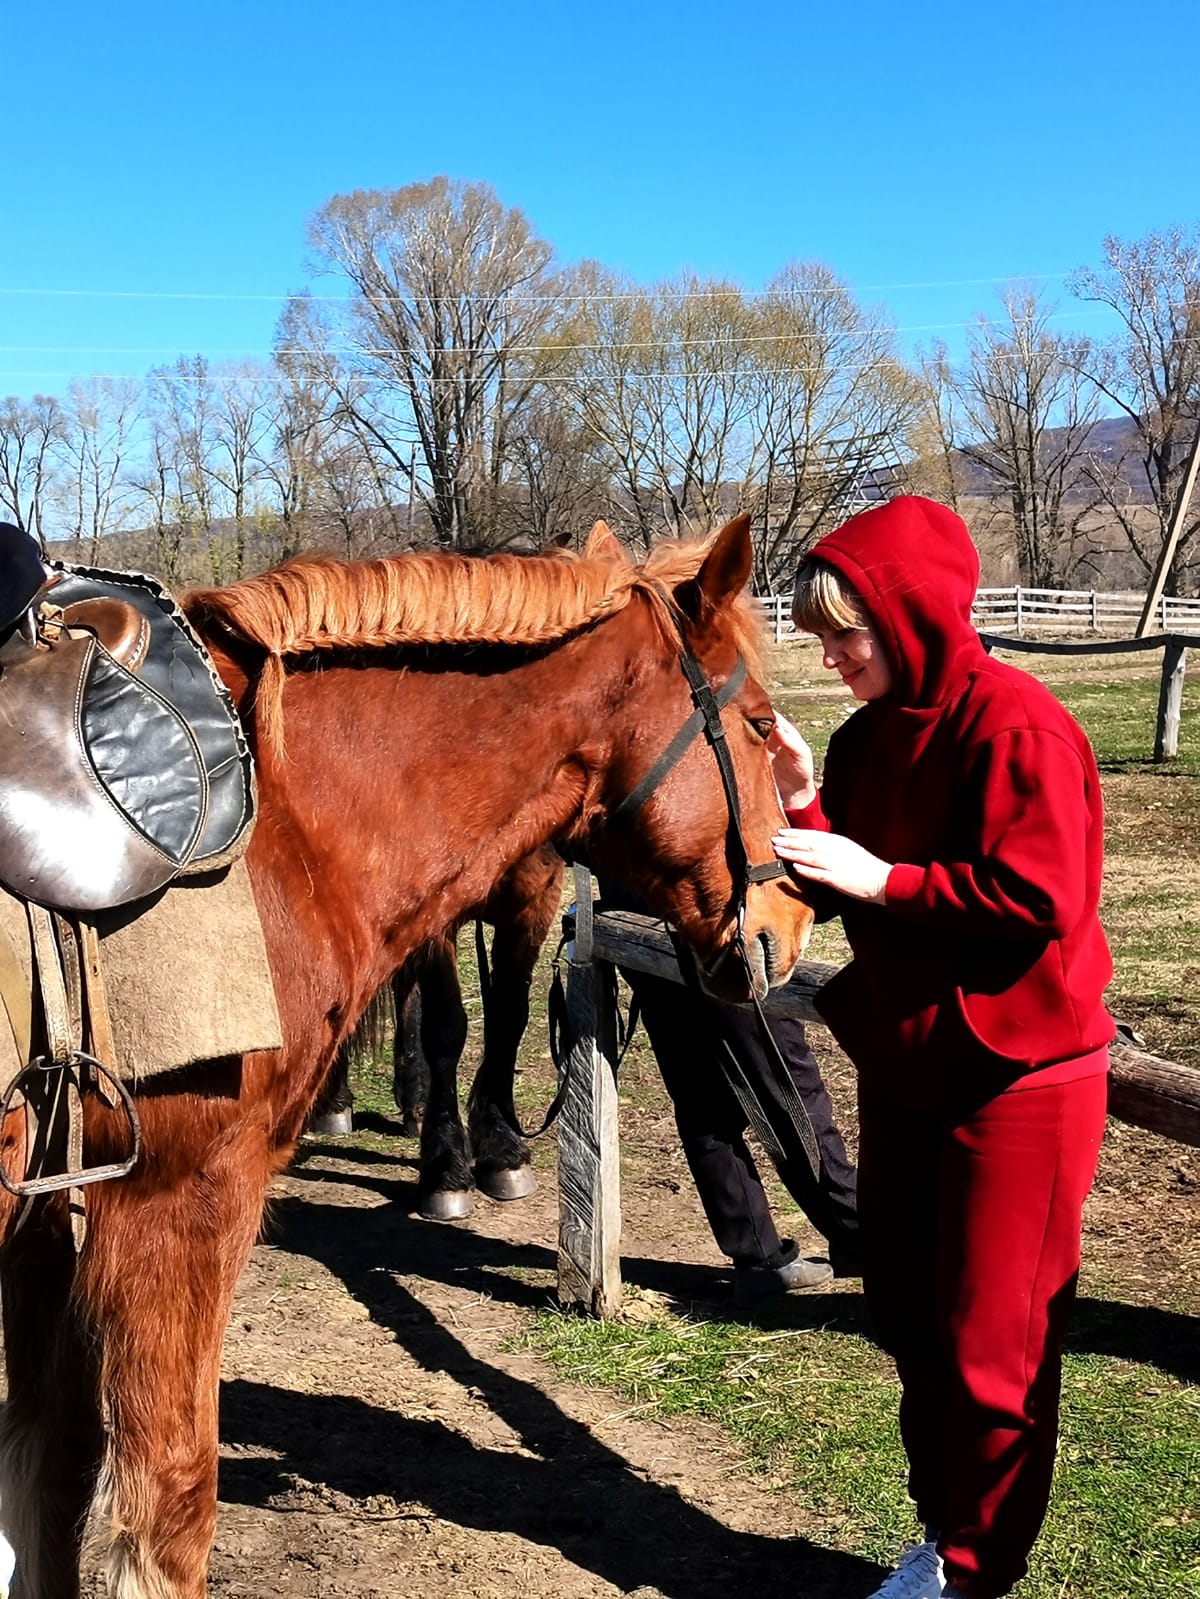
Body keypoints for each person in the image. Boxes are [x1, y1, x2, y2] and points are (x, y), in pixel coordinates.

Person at [768, 496, 1113, 1599]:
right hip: (910, 1067)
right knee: (908, 1314)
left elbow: (1041, 898)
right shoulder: (871, 737)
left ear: (911, 613)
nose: (829, 657)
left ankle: (976, 1572)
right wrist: (808, 803)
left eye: (844, 633)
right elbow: (863, 899)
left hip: (1017, 1077)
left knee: (993, 1342)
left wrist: (888, 878)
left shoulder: (1016, 728)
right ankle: (942, 1538)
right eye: (819, 635)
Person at [594, 874, 861, 1308]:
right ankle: (860, 1235)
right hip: (720, 913)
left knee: (702, 1099)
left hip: (641, 904)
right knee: (784, 1087)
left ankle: (757, 1255)